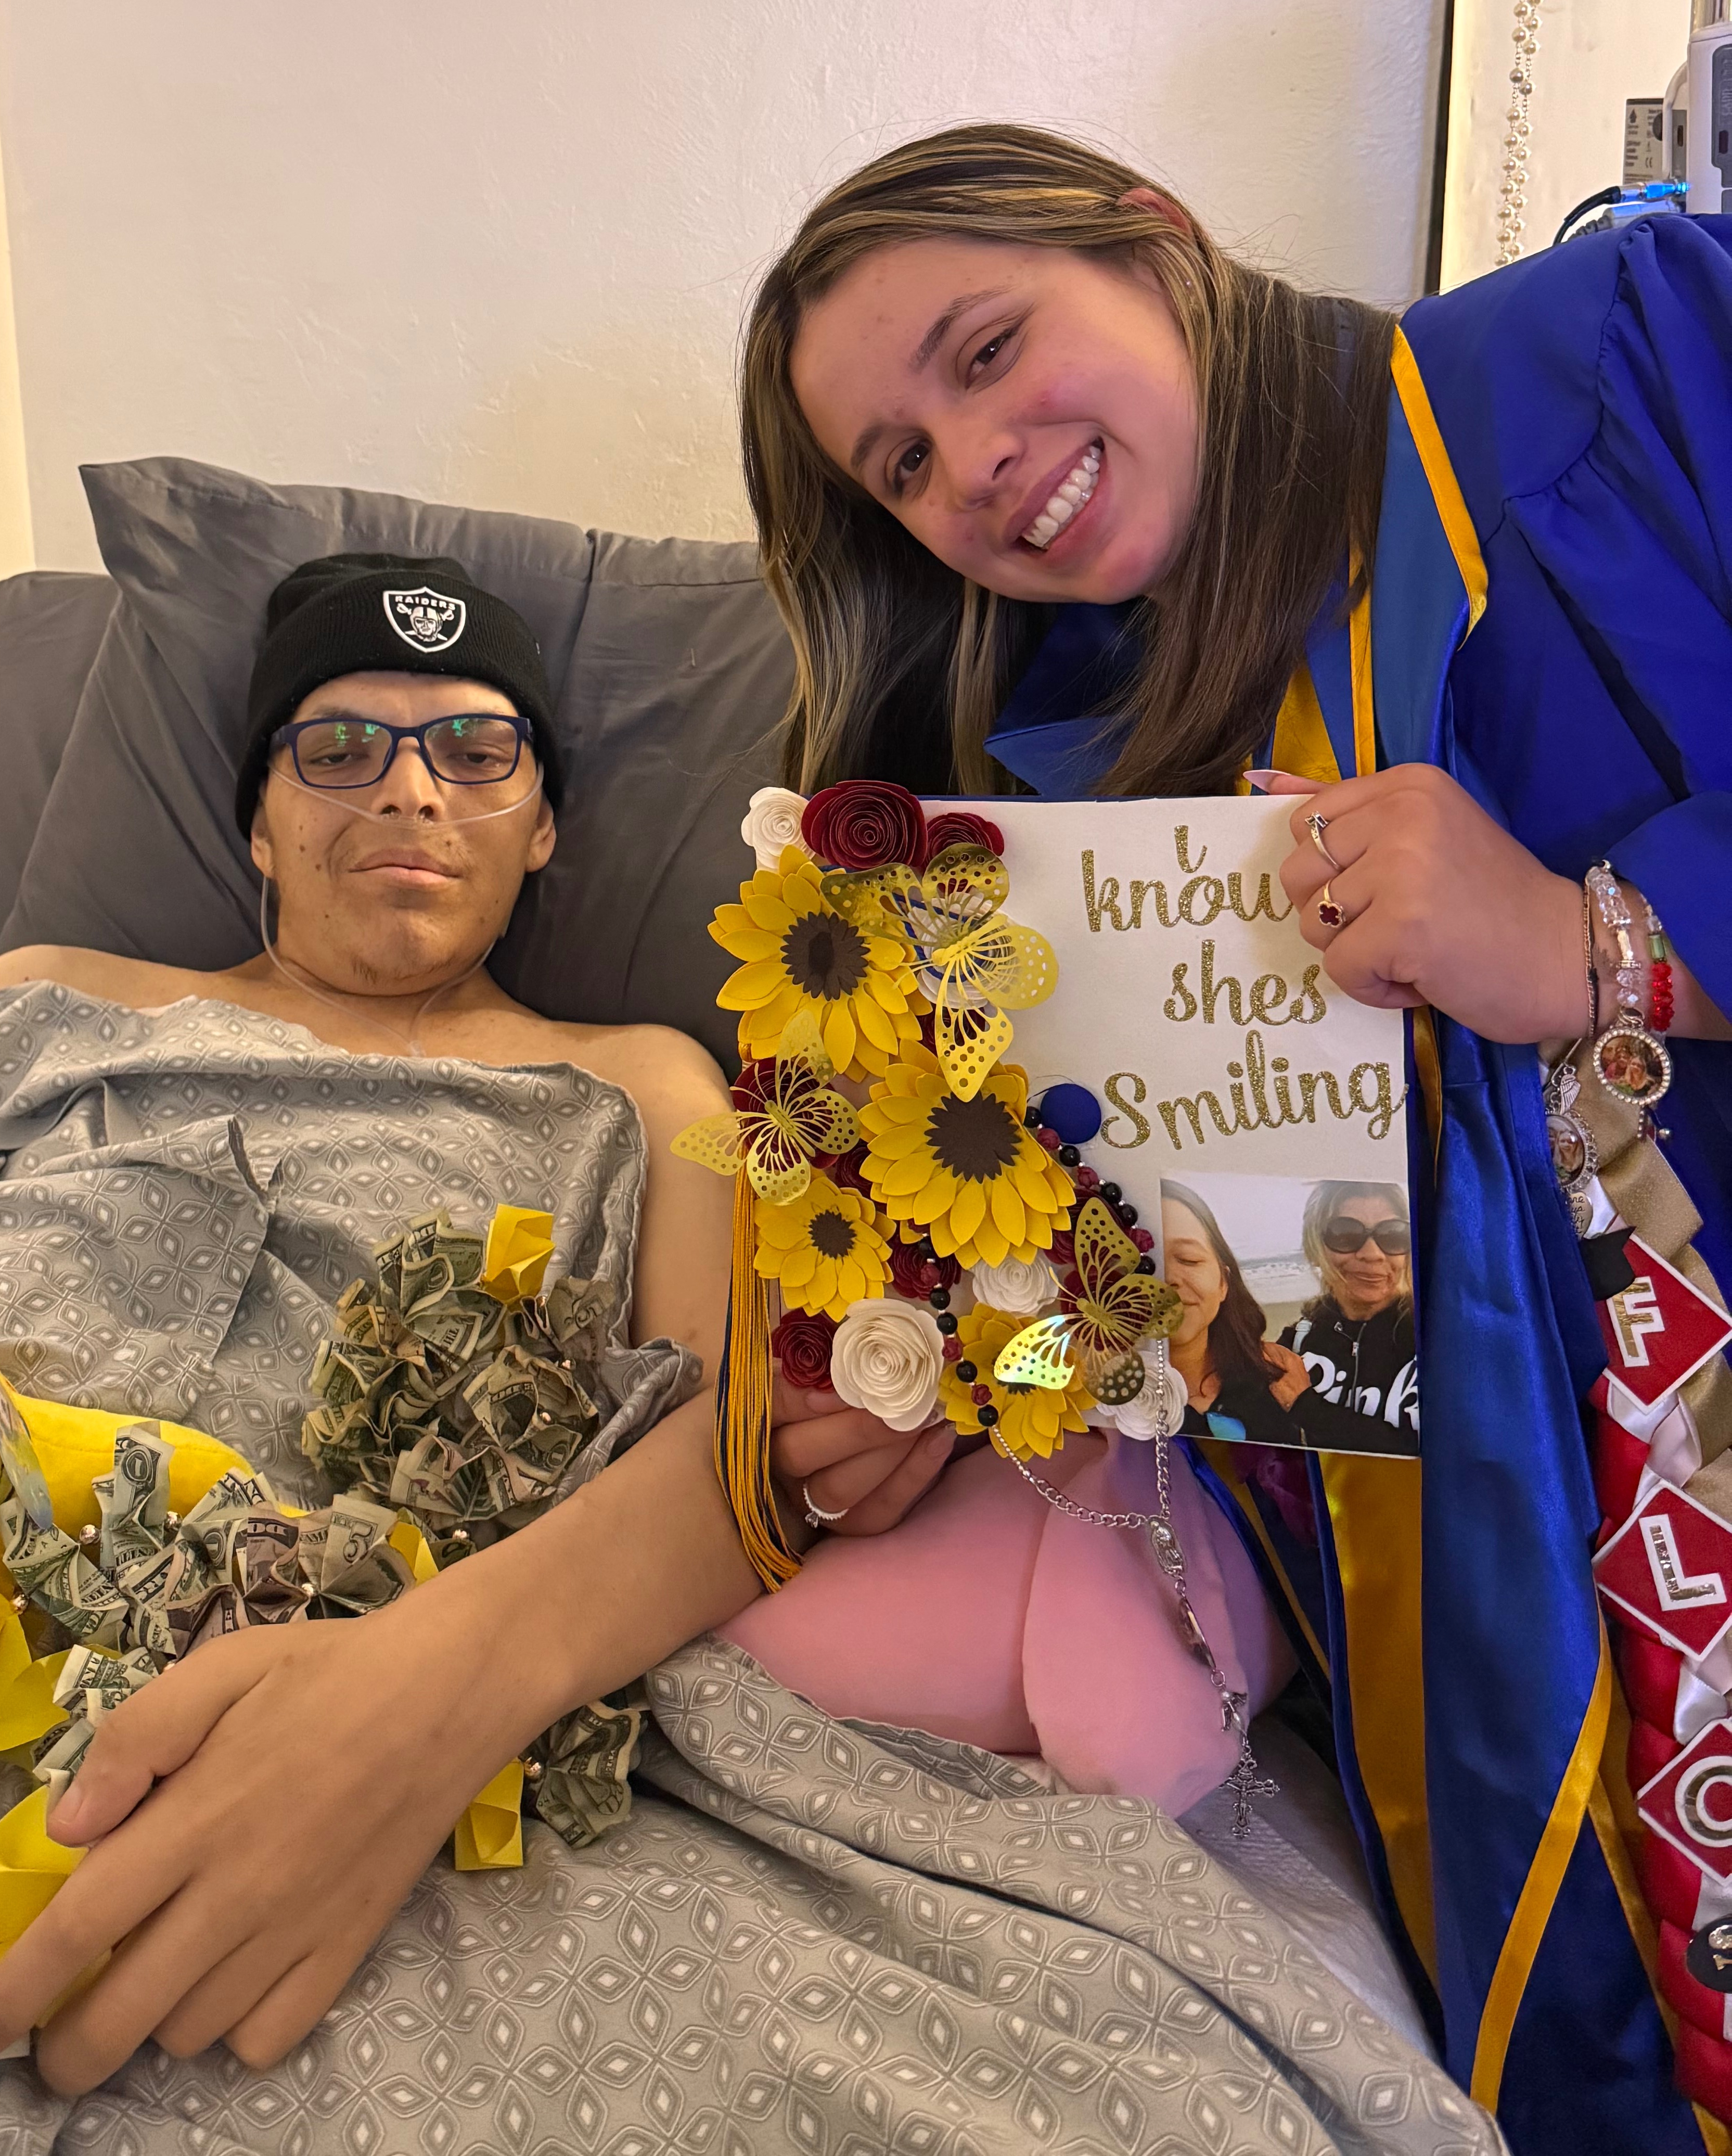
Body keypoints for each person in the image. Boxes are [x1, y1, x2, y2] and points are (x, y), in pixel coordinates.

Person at [0, 552, 952, 2096]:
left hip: (296, 1760)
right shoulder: (40, 997)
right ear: (261, 821)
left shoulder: (639, 1082)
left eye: (478, 751)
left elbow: (736, 1452)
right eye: (340, 746)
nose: (410, 790)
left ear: (544, 828)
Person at [738, 124, 1732, 2151]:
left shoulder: (1622, 348)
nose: (974, 462)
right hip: (1535, 1698)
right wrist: (956, 1381)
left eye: (988, 348)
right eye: (901, 466)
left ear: (1155, 237)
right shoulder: (1064, 821)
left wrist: (1602, 942)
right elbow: (1237, 1353)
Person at [1157, 1181, 1313, 1443]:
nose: (1168, 1278)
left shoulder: (1274, 1391)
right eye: (1145, 1262)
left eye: (1188, 1259)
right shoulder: (1100, 1401)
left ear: (1224, 1283)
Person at [1288, 1180, 1418, 1450]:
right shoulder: (1296, 1344)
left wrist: (1306, 1407)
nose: (1372, 1254)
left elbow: (1439, 1455)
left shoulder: (1440, 1342)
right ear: (1315, 1248)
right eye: (1345, 1235)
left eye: (1393, 1235)